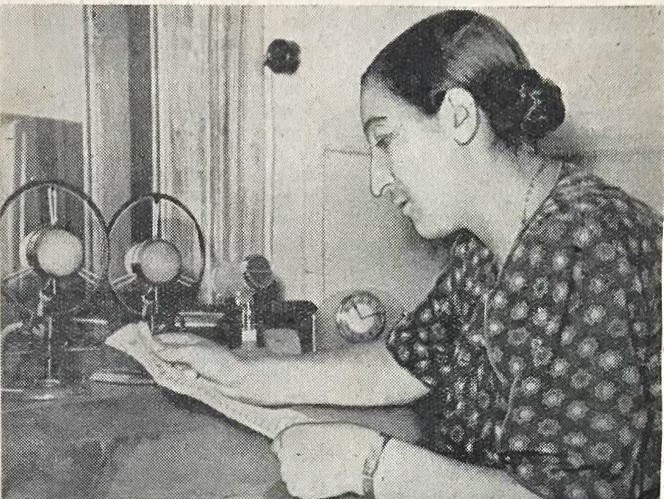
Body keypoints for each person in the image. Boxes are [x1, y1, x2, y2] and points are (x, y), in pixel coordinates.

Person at [148, 10, 661, 499]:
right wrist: (238, 373)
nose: (377, 182)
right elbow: (407, 362)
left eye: (386, 140)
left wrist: (368, 465)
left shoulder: (587, 246)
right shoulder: (488, 241)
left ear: (459, 116)